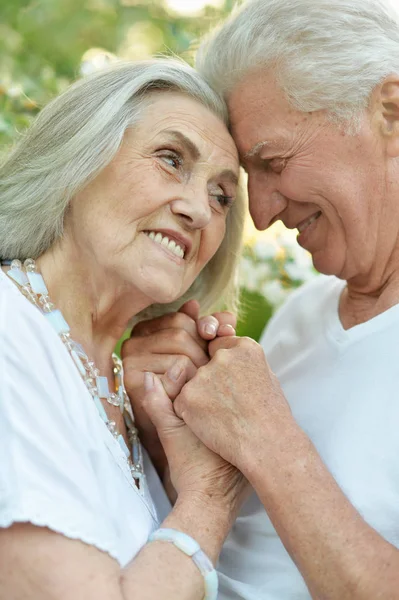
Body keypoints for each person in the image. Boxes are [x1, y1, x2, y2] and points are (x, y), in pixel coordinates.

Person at [122, 1, 399, 598]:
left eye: (274, 163)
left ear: (392, 112)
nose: (266, 213)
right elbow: (243, 544)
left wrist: (266, 437)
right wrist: (161, 432)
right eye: (249, 180)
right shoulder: (305, 314)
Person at [0, 58, 250, 599]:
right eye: (170, 159)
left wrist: (167, 459)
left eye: (221, 196)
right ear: (78, 155)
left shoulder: (127, 395)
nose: (200, 211)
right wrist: (211, 495)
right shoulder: (8, 333)